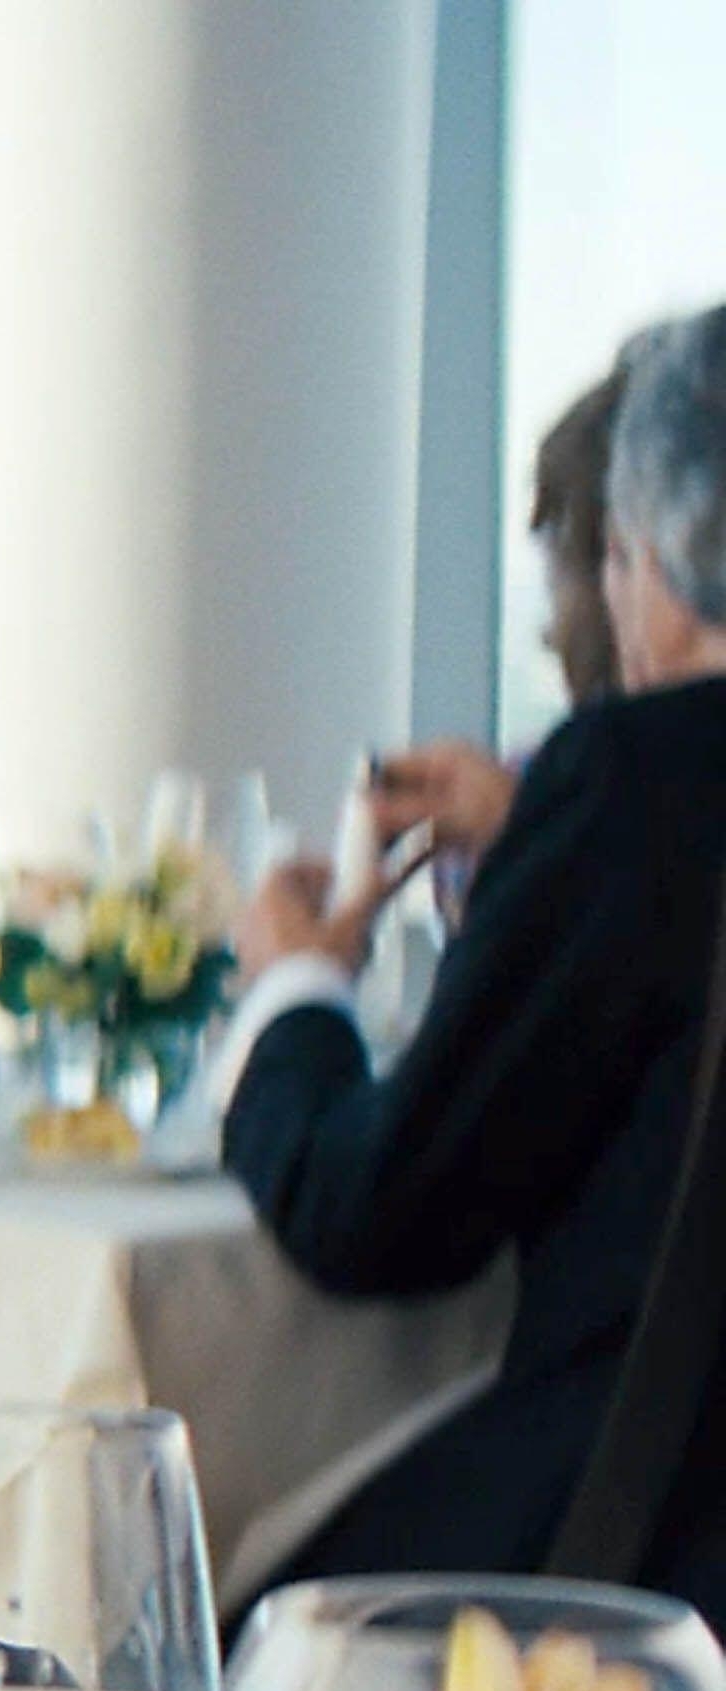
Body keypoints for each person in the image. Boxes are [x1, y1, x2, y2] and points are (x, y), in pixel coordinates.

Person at [216, 302, 726, 1624]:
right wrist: (547, 847)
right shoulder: (632, 816)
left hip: (638, 1567)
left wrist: (291, 985)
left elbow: (375, 1211)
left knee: (189, 1601)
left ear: (654, 554)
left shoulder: (632, 781)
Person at [364, 366, 632, 886]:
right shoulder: (543, 786)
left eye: (562, 577)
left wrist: (525, 840)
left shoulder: (562, 801)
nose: (550, 638)